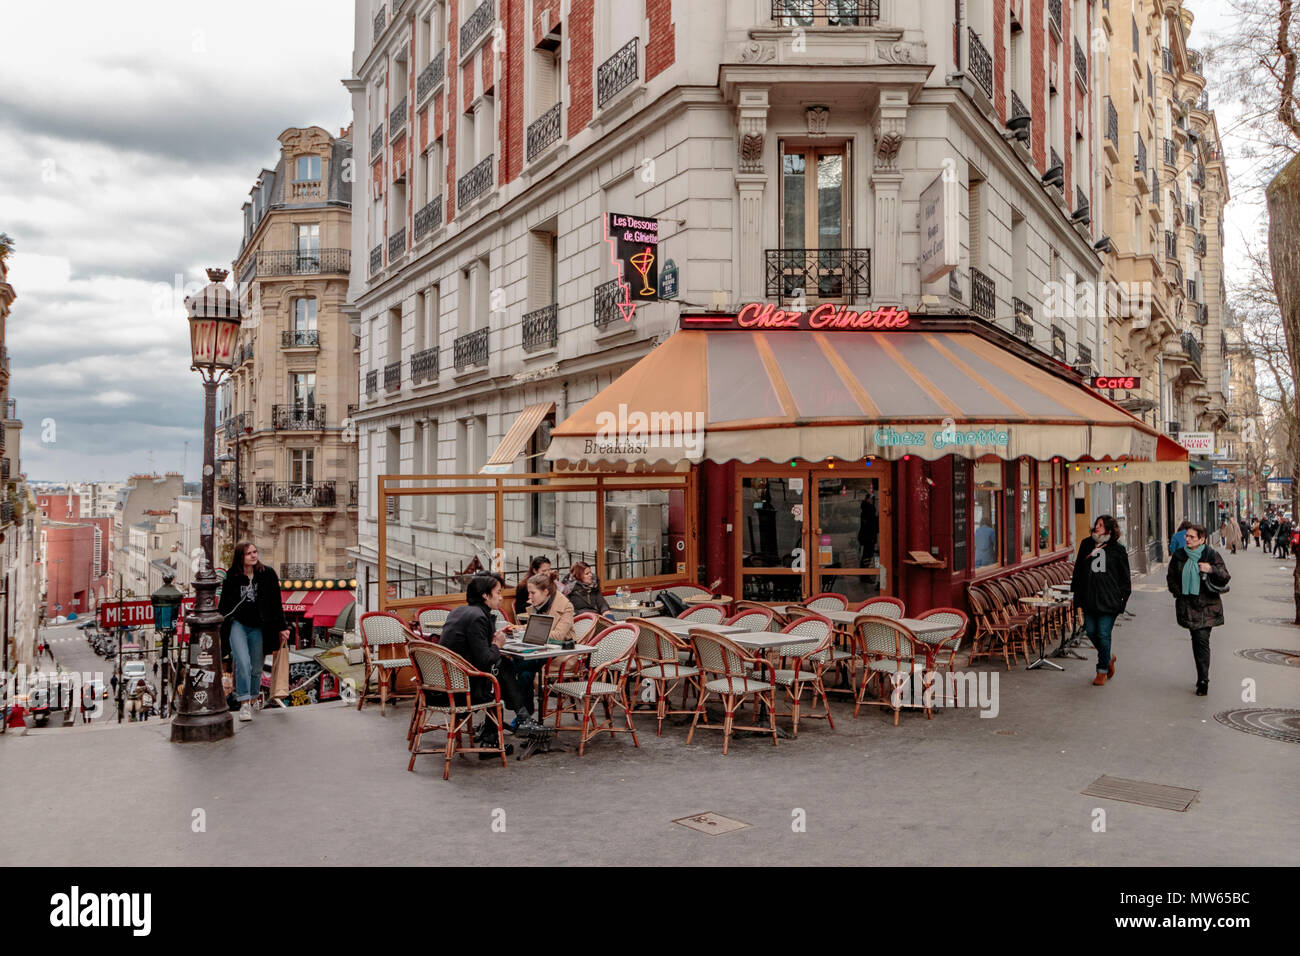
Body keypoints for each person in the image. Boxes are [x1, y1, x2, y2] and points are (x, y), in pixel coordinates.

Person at [434, 574, 539, 754]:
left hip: (443, 683)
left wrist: (492, 639)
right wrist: (497, 644)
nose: (500, 597)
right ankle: (522, 719)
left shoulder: (459, 611)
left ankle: (505, 729)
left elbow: (472, 647)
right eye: (498, 592)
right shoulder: (478, 617)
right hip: (461, 689)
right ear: (485, 595)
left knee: (501, 668)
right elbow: (485, 659)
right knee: (502, 668)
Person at [217, 541, 290, 723]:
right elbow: (224, 603)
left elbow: (276, 604)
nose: (253, 555)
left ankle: (254, 696)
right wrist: (222, 622)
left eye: (255, 552)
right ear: (241, 556)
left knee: (256, 667)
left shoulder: (267, 574)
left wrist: (283, 627)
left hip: (259, 626)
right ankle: (244, 704)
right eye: (249, 553)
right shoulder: (232, 576)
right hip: (238, 624)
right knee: (243, 662)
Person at [1166, 523, 1230, 696]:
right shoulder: (1179, 555)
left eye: (1191, 537)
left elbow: (1225, 577)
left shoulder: (1210, 554)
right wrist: (1178, 592)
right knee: (1196, 640)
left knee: (1201, 640)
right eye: (1187, 536)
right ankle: (1202, 675)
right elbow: (1171, 577)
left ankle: (1203, 679)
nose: (1187, 539)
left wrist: (1211, 569)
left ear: (1202, 539)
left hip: (1207, 605)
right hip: (1187, 604)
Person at [1071, 515, 1132, 686]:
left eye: (1101, 525)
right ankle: (1108, 657)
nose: (1097, 527)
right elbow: (1078, 572)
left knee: (1103, 634)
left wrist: (1122, 601)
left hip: (1109, 599)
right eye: (1096, 524)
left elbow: (1125, 578)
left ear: (1109, 530)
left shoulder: (1117, 549)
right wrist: (1077, 597)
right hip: (1089, 598)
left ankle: (1101, 670)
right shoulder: (1086, 544)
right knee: (1090, 631)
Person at [511, 571, 575, 721]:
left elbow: (559, 635)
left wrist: (528, 630)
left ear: (545, 592)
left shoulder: (566, 606)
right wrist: (518, 629)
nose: (529, 597)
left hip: (561, 653)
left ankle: (523, 714)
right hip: (539, 650)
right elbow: (534, 628)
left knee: (516, 667)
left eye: (533, 593)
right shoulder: (537, 604)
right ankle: (525, 715)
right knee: (523, 671)